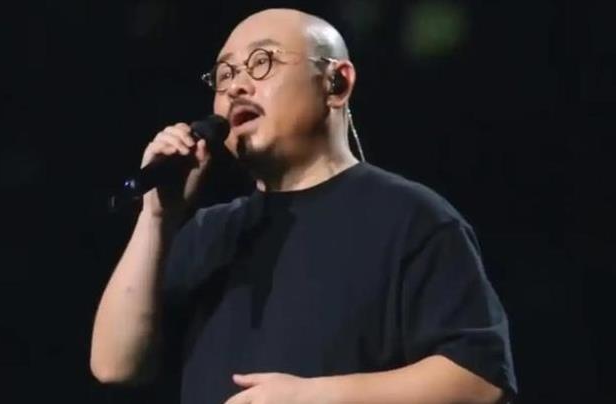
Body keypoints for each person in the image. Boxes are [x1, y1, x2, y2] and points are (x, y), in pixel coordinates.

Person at [90, 8, 517, 404]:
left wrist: (313, 396)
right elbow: (114, 364)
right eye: (224, 74)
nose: (236, 86)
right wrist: (157, 216)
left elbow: (479, 380)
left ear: (336, 84)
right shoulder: (209, 233)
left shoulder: (412, 217)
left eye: (262, 62)